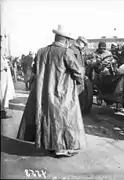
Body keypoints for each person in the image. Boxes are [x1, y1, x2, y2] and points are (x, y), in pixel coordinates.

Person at [17, 25, 86, 157]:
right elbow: (78, 72)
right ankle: (60, 148)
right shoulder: (66, 52)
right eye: (69, 40)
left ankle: (48, 145)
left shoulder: (41, 51)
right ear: (65, 40)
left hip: (42, 93)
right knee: (62, 119)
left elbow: (35, 70)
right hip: (61, 92)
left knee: (46, 117)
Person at [0, 54, 16, 119]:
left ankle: (3, 113)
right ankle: (2, 114)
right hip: (2, 80)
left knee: (4, 96)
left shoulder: (3, 58)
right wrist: (4, 67)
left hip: (4, 80)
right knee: (2, 96)